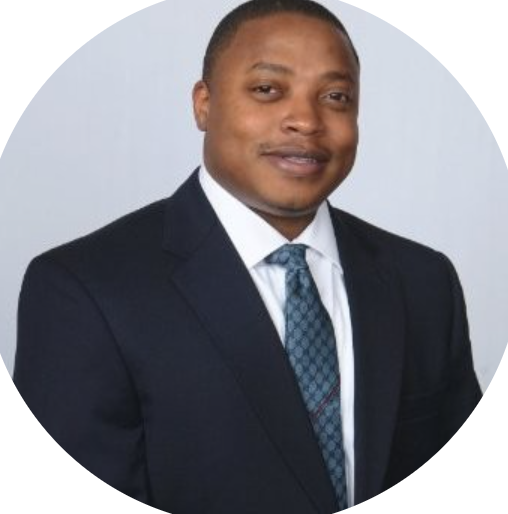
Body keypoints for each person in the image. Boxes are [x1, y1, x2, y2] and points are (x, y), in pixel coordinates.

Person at [13, 1, 482, 513]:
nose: (305, 120)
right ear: (204, 104)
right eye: (267, 89)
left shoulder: (423, 282)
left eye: (335, 96)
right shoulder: (85, 291)